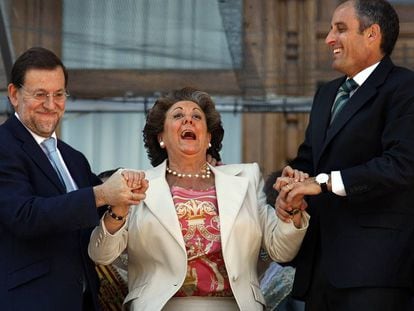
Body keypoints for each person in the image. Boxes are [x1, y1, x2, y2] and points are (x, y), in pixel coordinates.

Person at [88, 87, 310, 311]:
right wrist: (119, 209)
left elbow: (281, 250)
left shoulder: (246, 179)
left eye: (196, 116)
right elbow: (102, 255)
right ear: (161, 137)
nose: (188, 120)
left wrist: (291, 211)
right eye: (178, 116)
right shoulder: (138, 185)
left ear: (209, 137)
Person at [273, 1, 414, 310]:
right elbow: (308, 161)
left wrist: (322, 182)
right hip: (320, 269)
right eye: (329, 29)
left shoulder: (405, 88)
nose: (328, 39)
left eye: (340, 29)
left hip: (376, 271)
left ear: (372, 34)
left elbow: (401, 166)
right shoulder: (327, 94)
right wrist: (291, 183)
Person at [0, 47, 146, 311]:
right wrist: (102, 194)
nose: (50, 104)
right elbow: (24, 215)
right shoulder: (3, 146)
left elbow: (98, 210)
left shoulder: (74, 158)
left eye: (58, 94)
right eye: (40, 95)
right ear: (14, 94)